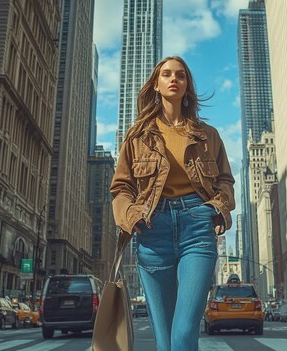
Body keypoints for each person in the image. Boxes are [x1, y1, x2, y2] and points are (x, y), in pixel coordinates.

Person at [110, 56, 235, 351]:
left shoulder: (208, 135)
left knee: (183, 333)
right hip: (153, 230)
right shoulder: (138, 135)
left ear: (187, 85)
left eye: (180, 74)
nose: (173, 79)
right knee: (164, 342)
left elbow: (225, 181)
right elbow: (121, 187)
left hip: (197, 228)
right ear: (156, 84)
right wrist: (131, 216)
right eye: (166, 74)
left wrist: (217, 208)